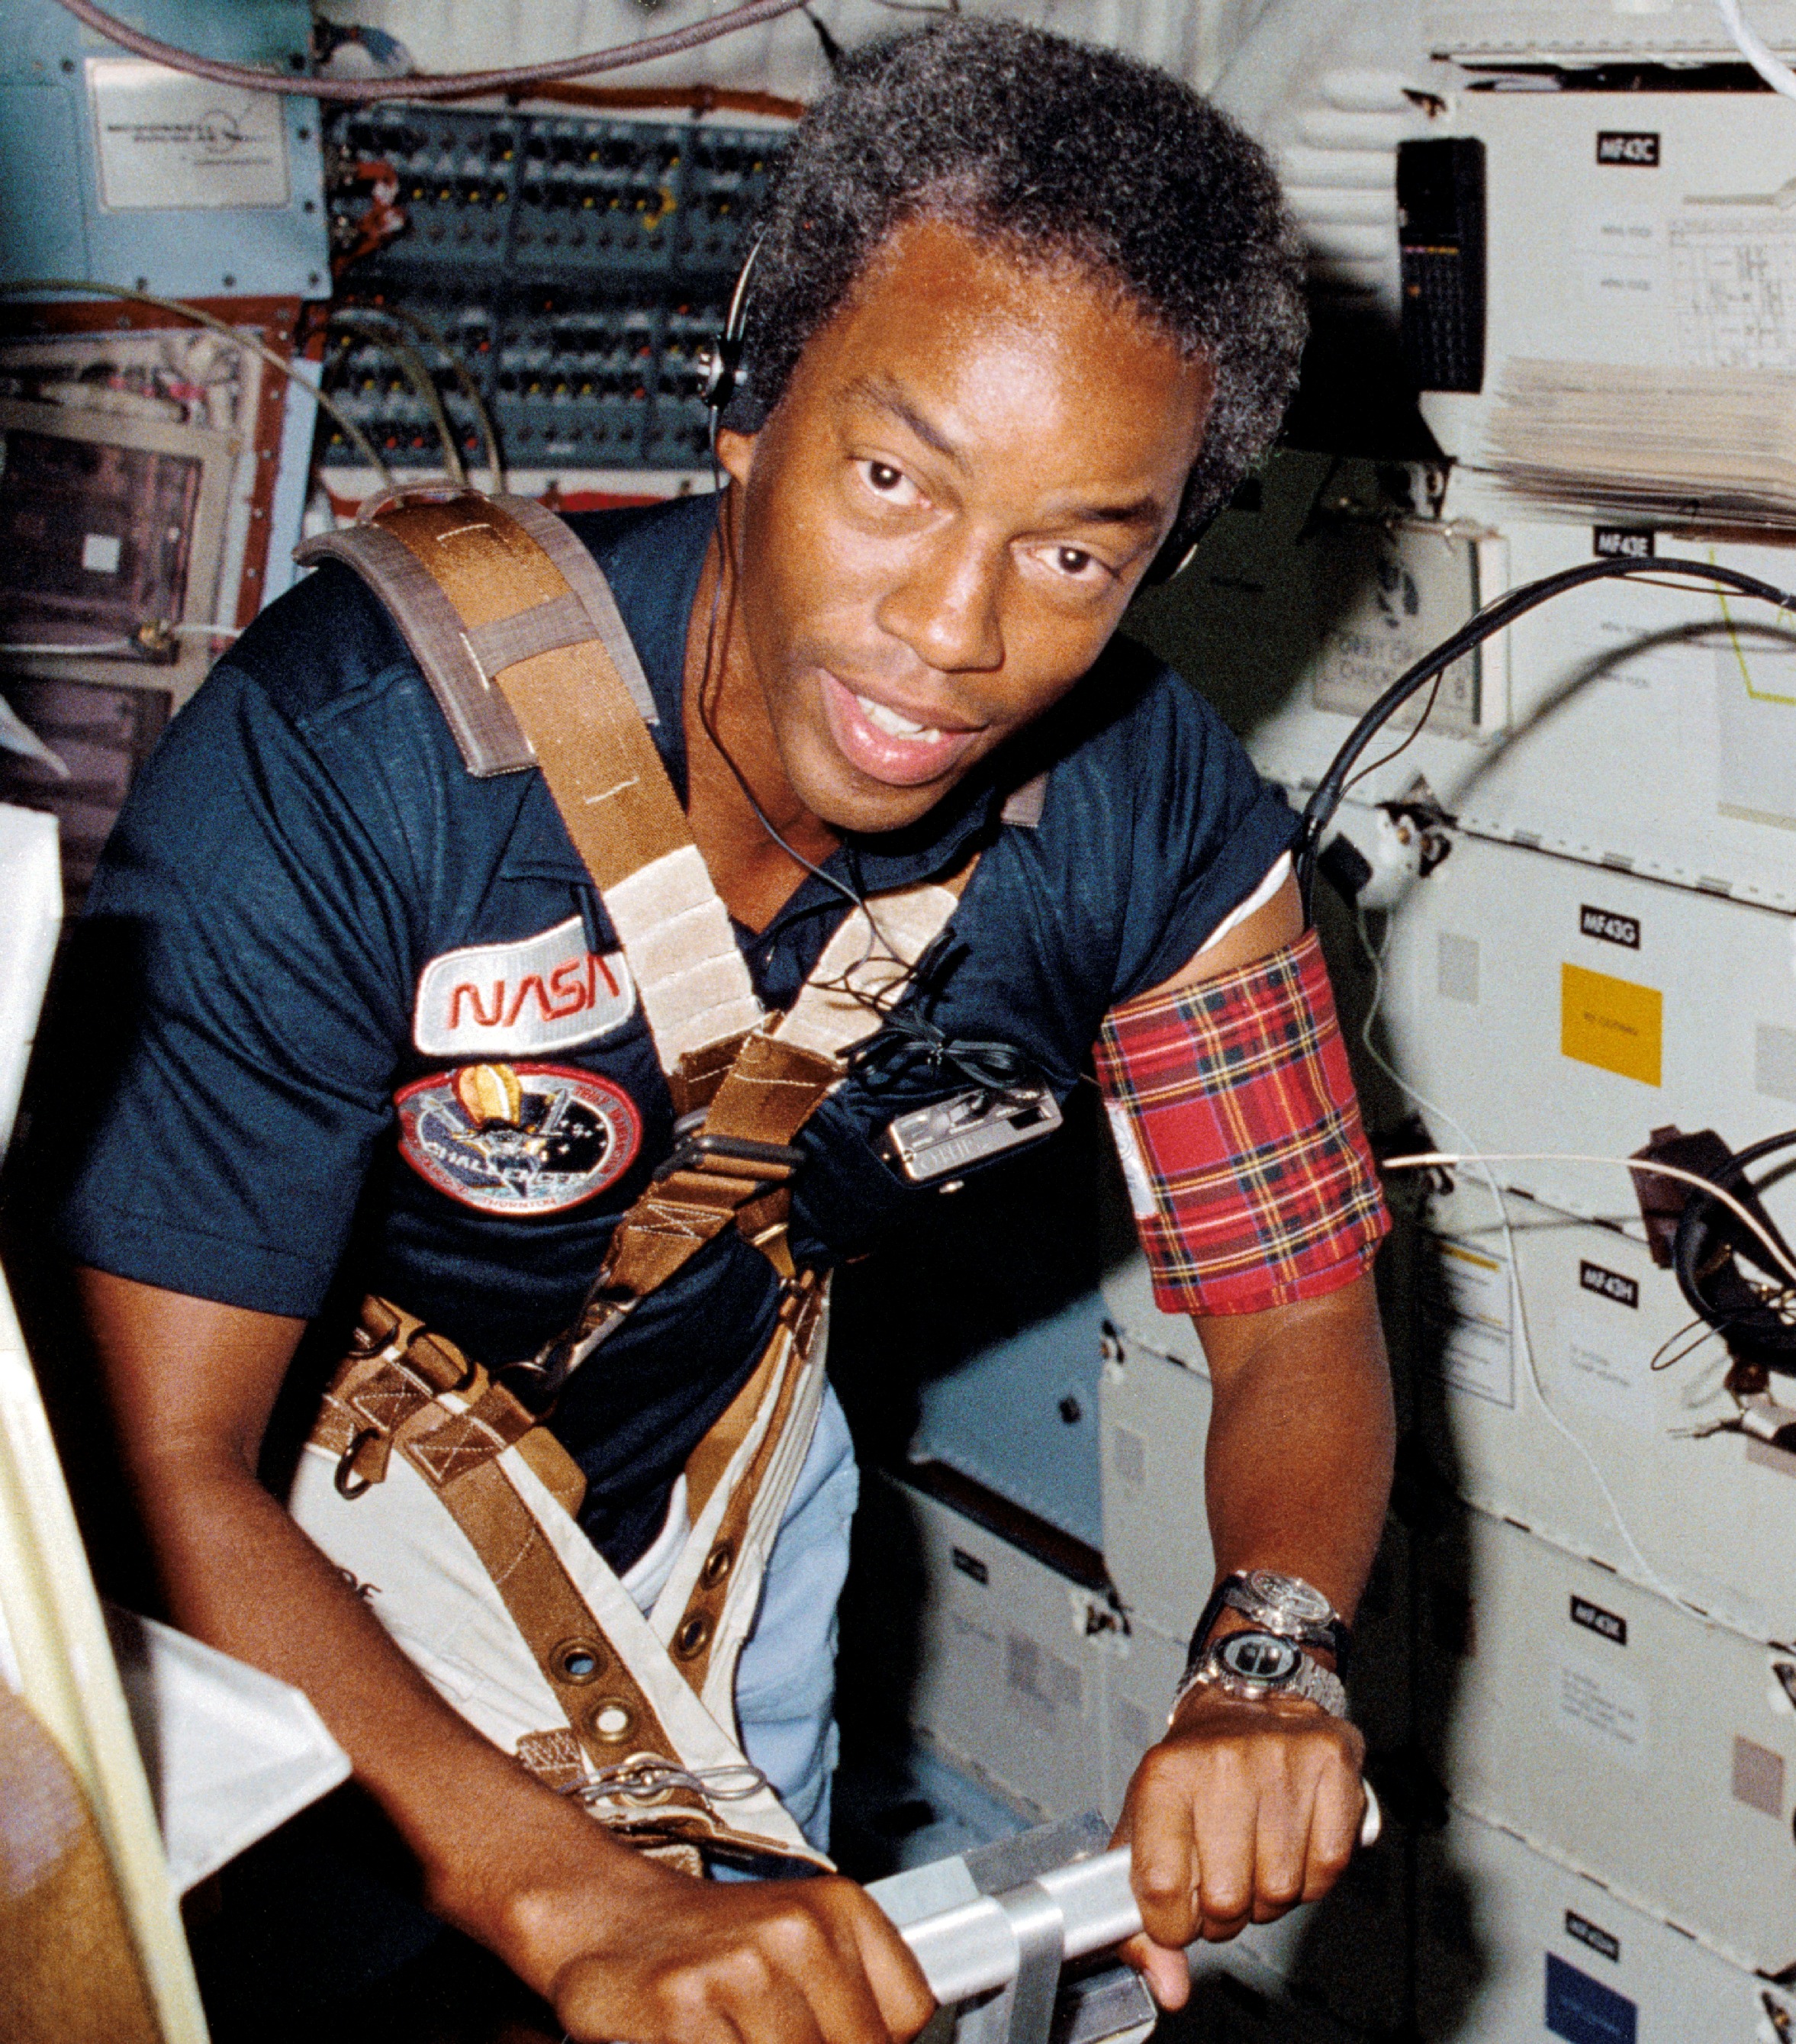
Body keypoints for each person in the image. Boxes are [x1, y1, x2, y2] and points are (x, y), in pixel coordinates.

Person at [50, 22, 1394, 2042]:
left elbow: (1297, 1305)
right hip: (283, 1543)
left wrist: (1266, 1663)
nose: (953, 631)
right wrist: (574, 1896)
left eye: (1075, 553)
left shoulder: (1163, 826)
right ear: (754, 392)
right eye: (893, 479)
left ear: (1167, 558)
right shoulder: (360, 756)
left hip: (711, 1510)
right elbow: (157, 1460)